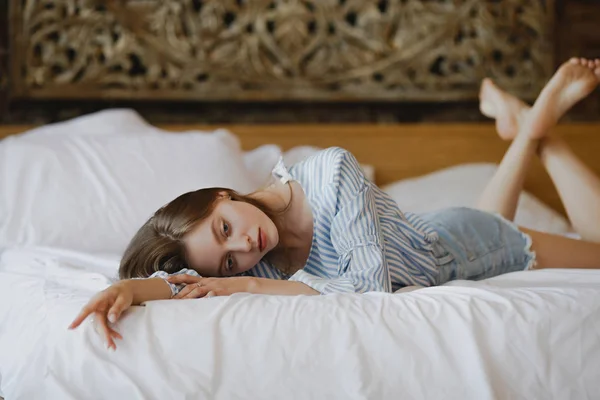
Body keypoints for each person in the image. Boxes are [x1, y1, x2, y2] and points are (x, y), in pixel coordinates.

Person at [69, 58, 600, 350]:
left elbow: (371, 293)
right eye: (228, 260)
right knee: (479, 215)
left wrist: (244, 282)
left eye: (226, 227)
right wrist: (126, 289)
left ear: (220, 196)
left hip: (469, 245)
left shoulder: (331, 173)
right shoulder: (261, 260)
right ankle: (521, 128)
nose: (245, 246)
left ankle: (537, 130)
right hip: (431, 239)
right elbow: (189, 282)